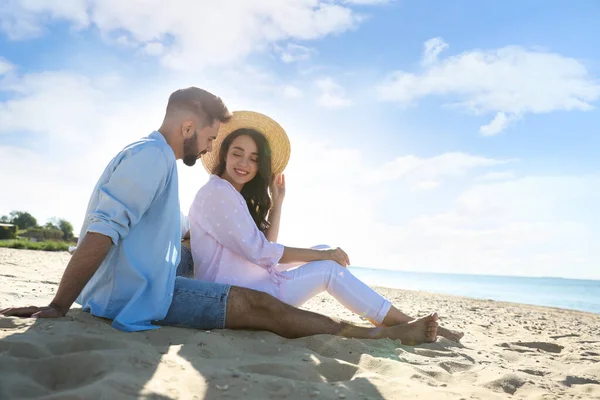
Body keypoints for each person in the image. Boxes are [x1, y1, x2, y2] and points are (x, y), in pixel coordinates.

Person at [0, 87, 439, 344]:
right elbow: (103, 230)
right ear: (189, 128)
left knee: (280, 279)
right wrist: (59, 305)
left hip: (149, 282)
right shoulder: (153, 158)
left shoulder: (157, 161)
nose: (211, 147)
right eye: (212, 137)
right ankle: (379, 334)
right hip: (131, 295)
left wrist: (196, 243)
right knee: (258, 302)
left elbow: (181, 235)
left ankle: (381, 325)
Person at [189, 111, 463, 342]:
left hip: (252, 283)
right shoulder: (218, 193)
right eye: (238, 154)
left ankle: (399, 321)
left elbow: (265, 250)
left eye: (254, 158)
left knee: (321, 251)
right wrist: (325, 256)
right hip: (236, 296)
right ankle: (404, 323)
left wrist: (277, 204)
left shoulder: (229, 195)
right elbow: (260, 252)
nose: (245, 163)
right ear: (224, 155)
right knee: (328, 266)